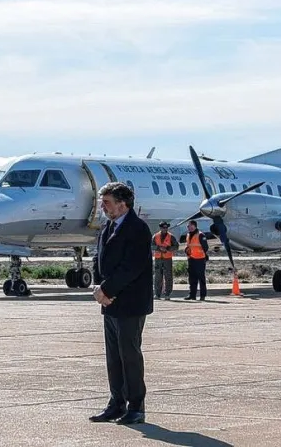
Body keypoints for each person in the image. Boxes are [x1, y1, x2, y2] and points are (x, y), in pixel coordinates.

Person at [89, 182, 153, 425]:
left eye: (106, 202)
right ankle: (116, 403)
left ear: (122, 204)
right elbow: (98, 259)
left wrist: (107, 290)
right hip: (110, 301)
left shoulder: (138, 228)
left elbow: (132, 268)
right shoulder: (108, 227)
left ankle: (136, 406)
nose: (102, 207)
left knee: (130, 355)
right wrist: (99, 289)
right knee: (113, 356)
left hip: (131, 302)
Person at [182, 220, 208, 301]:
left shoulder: (200, 235)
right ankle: (192, 295)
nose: (188, 227)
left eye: (189, 226)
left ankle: (202, 296)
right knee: (192, 278)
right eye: (188, 226)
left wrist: (204, 256)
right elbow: (189, 246)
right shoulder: (188, 235)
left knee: (201, 278)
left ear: (194, 226)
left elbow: (205, 247)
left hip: (200, 259)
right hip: (191, 259)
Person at [152, 221, 178, 300]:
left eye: (166, 228)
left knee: (168, 276)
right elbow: (151, 246)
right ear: (160, 228)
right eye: (164, 228)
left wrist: (167, 249)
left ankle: (168, 294)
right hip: (158, 259)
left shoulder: (171, 236)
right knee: (157, 277)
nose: (165, 229)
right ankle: (157, 294)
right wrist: (159, 248)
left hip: (167, 259)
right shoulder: (155, 236)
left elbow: (176, 246)